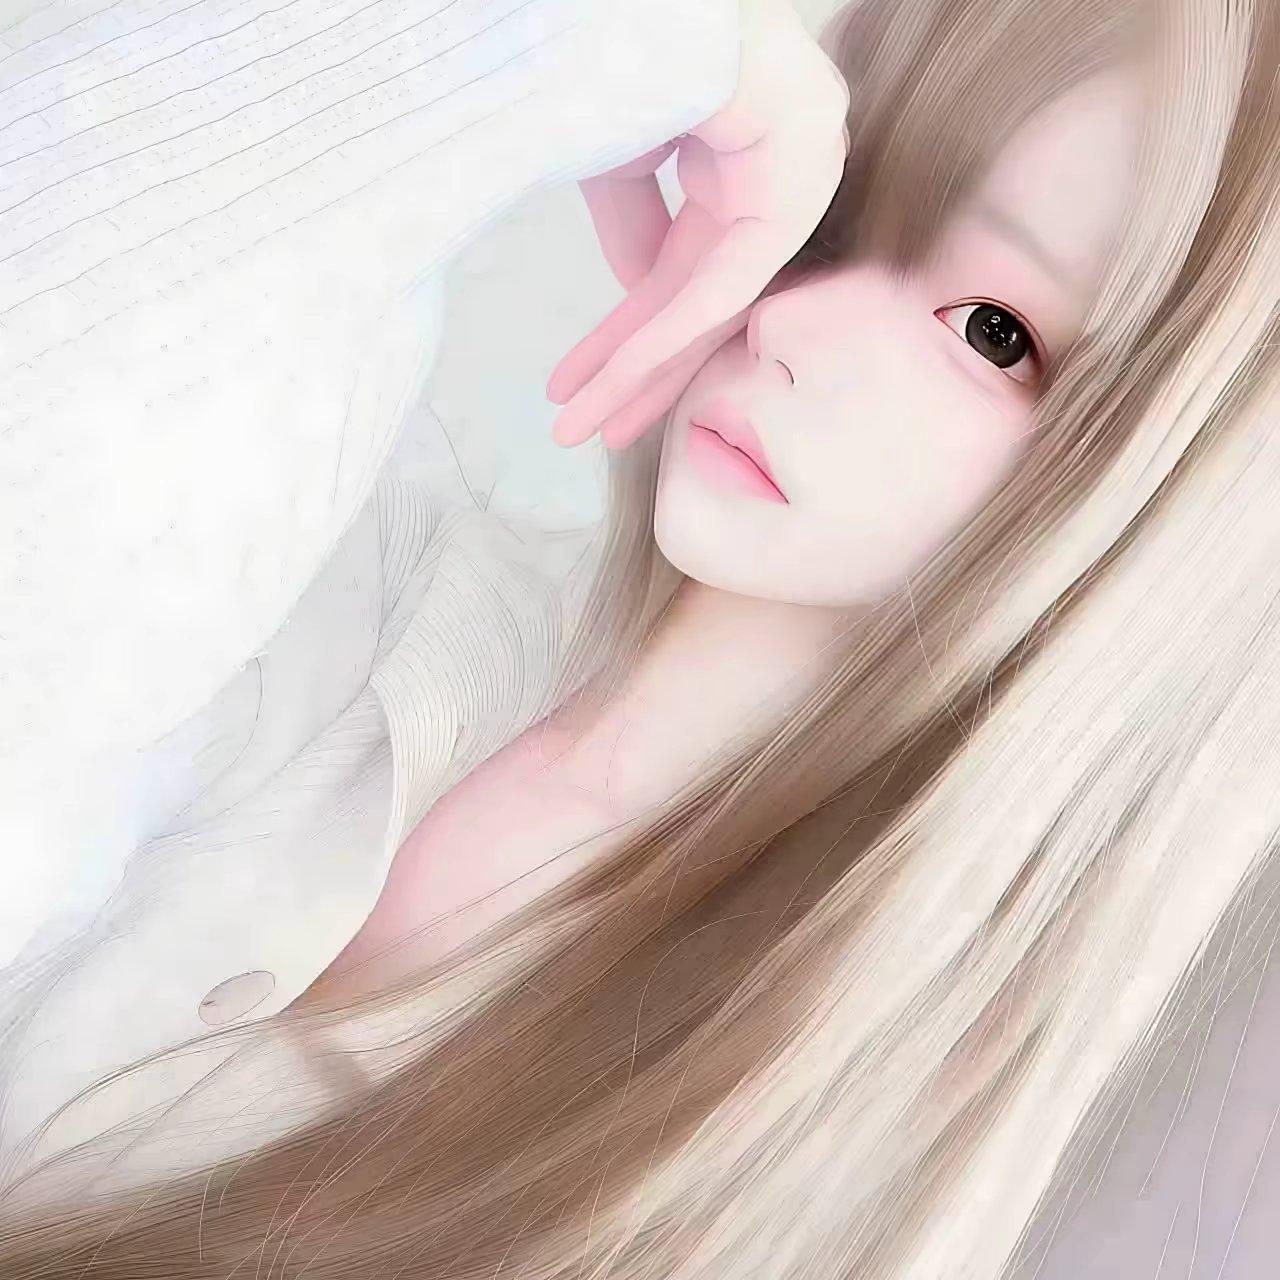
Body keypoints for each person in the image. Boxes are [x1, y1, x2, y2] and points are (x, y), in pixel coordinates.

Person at [2, 3, 1279, 1280]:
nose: (793, 321)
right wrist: (571, 43)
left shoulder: (796, 1149)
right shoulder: (343, 560)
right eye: (832, 210)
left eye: (989, 331)